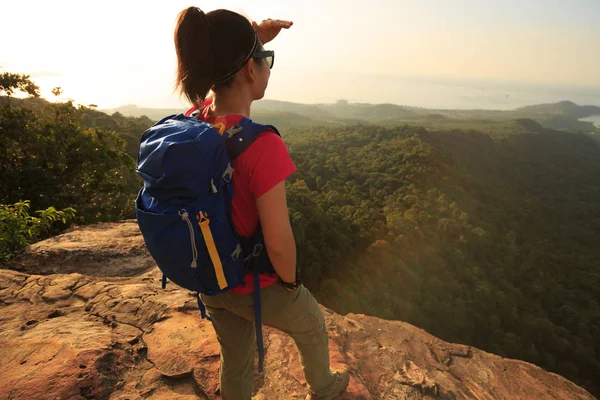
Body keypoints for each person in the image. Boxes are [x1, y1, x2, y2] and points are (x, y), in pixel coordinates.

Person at [173, 6, 350, 400]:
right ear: (252, 71)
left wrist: (253, 41)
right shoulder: (263, 146)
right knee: (312, 324)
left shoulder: (195, 119)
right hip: (257, 287)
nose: (267, 67)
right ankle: (324, 387)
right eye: (264, 61)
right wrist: (289, 284)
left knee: (235, 357)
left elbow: (220, 62)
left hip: (211, 280)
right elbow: (278, 242)